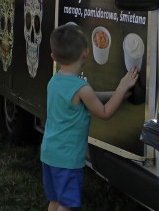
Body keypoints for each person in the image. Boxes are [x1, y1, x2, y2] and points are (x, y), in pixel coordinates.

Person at [41, 23, 139, 211]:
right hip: (67, 159)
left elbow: (89, 98)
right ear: (86, 53)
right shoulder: (81, 88)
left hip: (49, 154)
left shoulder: (54, 82)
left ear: (53, 57)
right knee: (67, 205)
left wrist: (116, 94)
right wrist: (121, 87)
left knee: (55, 202)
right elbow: (104, 112)